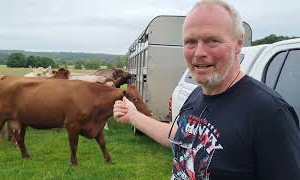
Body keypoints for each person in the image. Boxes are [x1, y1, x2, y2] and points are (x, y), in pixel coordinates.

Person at [113, 0, 300, 179]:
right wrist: (133, 116)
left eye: (212, 41)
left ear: (238, 43)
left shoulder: (269, 113)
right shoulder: (197, 94)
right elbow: (180, 138)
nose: (199, 52)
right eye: (190, 42)